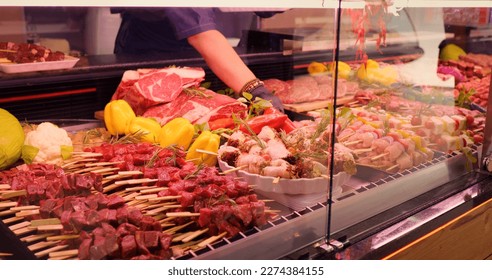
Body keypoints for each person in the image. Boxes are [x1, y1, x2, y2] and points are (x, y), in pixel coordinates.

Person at [112, 7, 284, 111]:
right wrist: (255, 90)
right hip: (152, 60)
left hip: (211, 57)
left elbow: (265, 8)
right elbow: (200, 34)